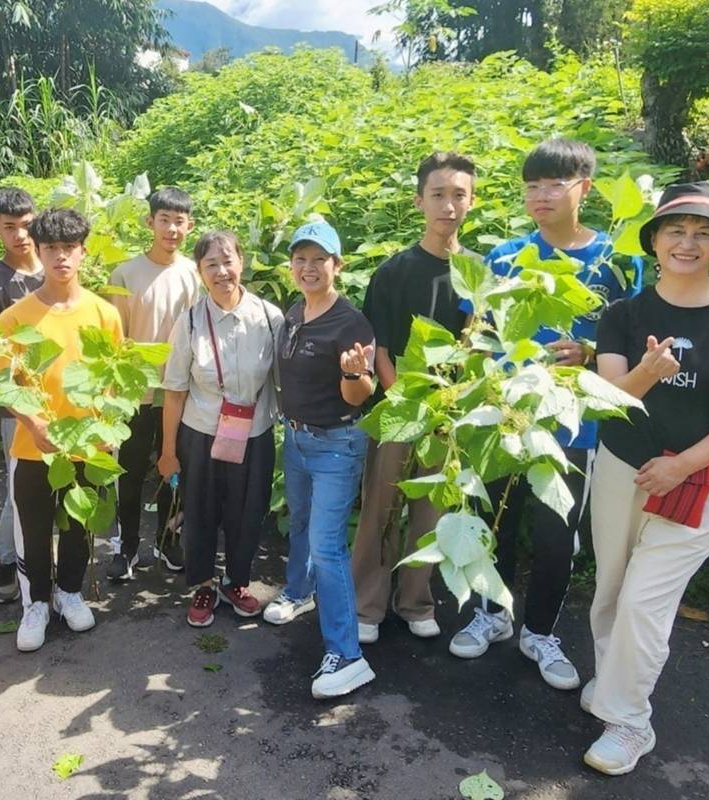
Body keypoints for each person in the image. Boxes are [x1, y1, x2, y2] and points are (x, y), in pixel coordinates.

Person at [582, 182, 709, 775]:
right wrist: (648, 372)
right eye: (676, 230)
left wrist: (683, 464)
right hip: (625, 468)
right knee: (613, 589)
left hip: (706, 481)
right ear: (655, 241)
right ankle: (613, 681)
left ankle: (629, 721)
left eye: (703, 232)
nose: (688, 242)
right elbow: (607, 400)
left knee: (646, 601)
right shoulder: (624, 315)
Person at [448, 138, 643, 692]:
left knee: (558, 531)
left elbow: (630, 343)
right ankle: (493, 613)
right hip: (506, 414)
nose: (540, 195)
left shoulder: (618, 261)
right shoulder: (507, 255)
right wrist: (479, 378)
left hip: (574, 424)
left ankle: (541, 631)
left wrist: (586, 354)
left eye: (554, 184)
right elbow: (478, 331)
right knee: (495, 521)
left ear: (585, 187)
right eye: (531, 185)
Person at [351, 152, 476, 646]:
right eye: (439, 195)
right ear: (420, 201)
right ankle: (367, 604)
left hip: (451, 410)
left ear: (472, 200)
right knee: (380, 503)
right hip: (398, 405)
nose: (448, 205)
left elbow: (479, 345)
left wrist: (455, 400)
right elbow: (378, 344)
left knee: (431, 512)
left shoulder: (477, 272)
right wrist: (401, 394)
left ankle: (417, 601)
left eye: (458, 195)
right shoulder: (395, 271)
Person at [0, 208, 124, 653]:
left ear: (83, 252)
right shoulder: (16, 317)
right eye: (51, 248)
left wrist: (107, 426)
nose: (61, 257)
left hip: (85, 445)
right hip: (33, 448)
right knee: (32, 528)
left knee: (77, 524)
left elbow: (114, 380)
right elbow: (4, 384)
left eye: (69, 248)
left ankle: (69, 592)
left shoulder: (104, 313)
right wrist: (33, 424)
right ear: (39, 251)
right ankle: (36, 605)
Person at [263, 221, 377, 699]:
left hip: (336, 444)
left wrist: (354, 375)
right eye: (300, 259)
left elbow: (360, 394)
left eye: (319, 260)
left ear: (337, 265)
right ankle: (298, 590)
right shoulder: (295, 312)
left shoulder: (351, 323)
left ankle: (348, 655)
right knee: (302, 519)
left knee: (327, 545)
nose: (308, 268)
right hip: (297, 440)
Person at [158, 230, 282, 627]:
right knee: (201, 511)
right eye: (211, 264)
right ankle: (204, 585)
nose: (222, 271)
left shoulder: (269, 317)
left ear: (242, 263)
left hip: (256, 434)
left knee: (248, 512)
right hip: (201, 432)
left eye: (228, 261)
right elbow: (175, 391)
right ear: (200, 272)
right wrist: (168, 450)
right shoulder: (190, 321)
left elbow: (284, 380)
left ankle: (236, 582)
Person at [105, 187, 200, 581]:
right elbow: (113, 340)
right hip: (133, 395)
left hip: (179, 394)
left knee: (172, 471)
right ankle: (126, 547)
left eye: (179, 221)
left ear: (189, 226)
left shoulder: (196, 274)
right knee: (128, 473)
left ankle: (166, 541)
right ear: (150, 222)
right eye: (165, 220)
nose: (172, 229)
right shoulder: (124, 273)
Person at [0, 186, 44, 605]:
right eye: (10, 227)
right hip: (14, 404)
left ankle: (33, 562)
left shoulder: (55, 267)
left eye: (27, 225)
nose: (20, 235)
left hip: (61, 399)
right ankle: (6, 560)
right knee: (21, 485)